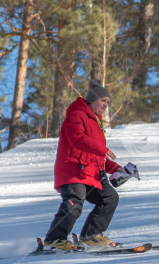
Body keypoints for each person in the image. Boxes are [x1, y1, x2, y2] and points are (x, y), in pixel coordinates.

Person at [43, 80, 136, 250]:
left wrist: (118, 169)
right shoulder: (76, 114)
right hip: (73, 171)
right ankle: (54, 240)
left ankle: (91, 236)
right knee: (74, 202)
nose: (106, 105)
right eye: (103, 101)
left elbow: (95, 155)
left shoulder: (96, 121)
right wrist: (102, 149)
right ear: (92, 99)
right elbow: (77, 139)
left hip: (90, 174)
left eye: (108, 102)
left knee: (109, 198)